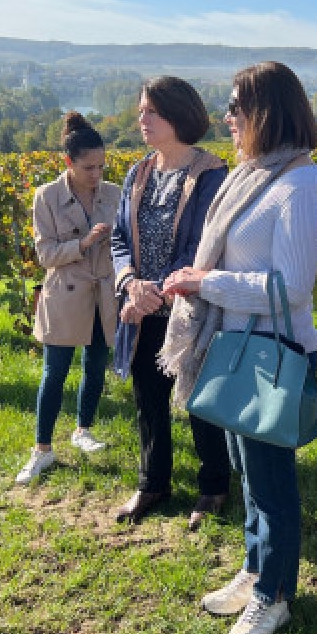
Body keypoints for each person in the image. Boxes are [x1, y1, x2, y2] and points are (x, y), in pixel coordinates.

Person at [159, 61, 317, 634]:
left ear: (265, 112)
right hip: (233, 347)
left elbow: (292, 288)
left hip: (270, 352)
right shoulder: (251, 175)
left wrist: (207, 283)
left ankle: (273, 597)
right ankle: (256, 570)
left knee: (272, 484)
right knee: (250, 478)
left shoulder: (300, 184)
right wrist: (202, 283)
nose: (227, 116)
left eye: (236, 106)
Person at [110, 76, 230, 528]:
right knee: (148, 398)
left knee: (199, 399)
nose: (142, 119)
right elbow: (119, 237)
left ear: (178, 116)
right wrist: (130, 283)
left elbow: (201, 246)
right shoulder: (138, 172)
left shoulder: (210, 175)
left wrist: (153, 291)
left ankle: (214, 485)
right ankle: (152, 482)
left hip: (189, 309)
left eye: (152, 112)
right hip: (140, 308)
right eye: (141, 110)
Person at [15, 112, 122, 484]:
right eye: (89, 168)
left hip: (103, 294)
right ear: (68, 163)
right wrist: (85, 243)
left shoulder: (113, 194)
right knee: (54, 372)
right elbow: (45, 255)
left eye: (101, 166)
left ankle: (83, 429)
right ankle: (42, 448)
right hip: (65, 294)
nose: (97, 174)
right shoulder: (46, 196)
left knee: (96, 366)